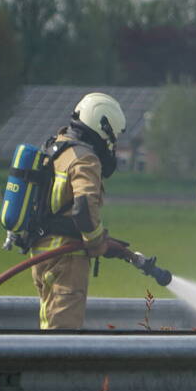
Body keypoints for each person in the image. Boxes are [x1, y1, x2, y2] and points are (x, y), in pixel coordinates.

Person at [31, 92, 126, 330]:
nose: (111, 145)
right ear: (104, 126)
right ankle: (55, 368)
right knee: (63, 333)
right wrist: (97, 243)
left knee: (49, 321)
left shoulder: (57, 148)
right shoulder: (86, 159)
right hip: (67, 257)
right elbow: (83, 207)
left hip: (42, 251)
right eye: (113, 137)